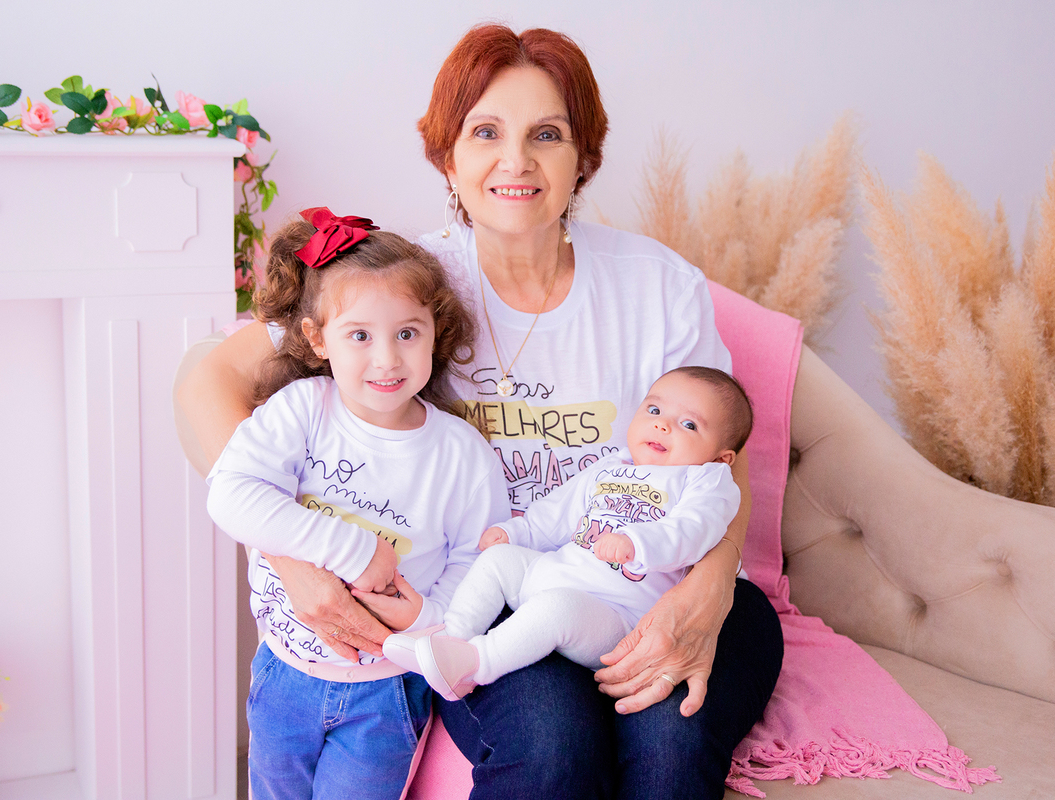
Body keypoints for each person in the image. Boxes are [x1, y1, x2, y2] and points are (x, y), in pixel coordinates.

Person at [178, 24, 784, 800]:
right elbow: (204, 381)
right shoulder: (408, 286)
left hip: (663, 573)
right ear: (447, 156)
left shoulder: (658, 286)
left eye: (548, 135)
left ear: (583, 156)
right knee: (552, 754)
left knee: (669, 749)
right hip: (502, 590)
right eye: (486, 132)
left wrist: (712, 588)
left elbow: (721, 465)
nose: (516, 161)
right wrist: (296, 561)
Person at [204, 207, 510, 800]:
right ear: (318, 339)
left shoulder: (461, 454)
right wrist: (352, 548)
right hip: (283, 672)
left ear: (433, 331)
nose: (387, 358)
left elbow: (480, 566)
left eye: (406, 333)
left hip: (388, 690)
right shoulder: (302, 410)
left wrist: (426, 618)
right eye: (360, 336)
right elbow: (231, 492)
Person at [383, 367, 752, 702]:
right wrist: (516, 531)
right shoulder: (611, 467)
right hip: (556, 573)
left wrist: (637, 543)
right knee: (497, 561)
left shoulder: (707, 480)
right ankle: (450, 636)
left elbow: (693, 530)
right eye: (654, 411)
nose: (662, 425)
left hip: (616, 617)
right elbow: (556, 513)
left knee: (556, 609)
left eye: (688, 425)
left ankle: (474, 665)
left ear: (722, 458)